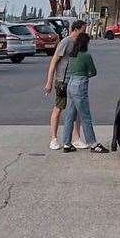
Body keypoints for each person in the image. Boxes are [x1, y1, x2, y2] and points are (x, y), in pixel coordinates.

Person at [44, 20, 84, 150]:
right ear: (76, 29)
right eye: (83, 29)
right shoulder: (65, 42)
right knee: (59, 107)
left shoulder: (80, 43)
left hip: (76, 80)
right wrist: (49, 82)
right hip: (63, 81)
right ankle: (53, 139)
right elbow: (54, 61)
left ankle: (76, 138)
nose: (85, 32)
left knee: (77, 110)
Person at [61, 32, 104, 153]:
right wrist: (87, 73)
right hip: (80, 84)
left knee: (70, 115)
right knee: (85, 116)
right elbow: (93, 71)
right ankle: (92, 143)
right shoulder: (86, 56)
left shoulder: (72, 55)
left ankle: (66, 143)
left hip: (71, 82)